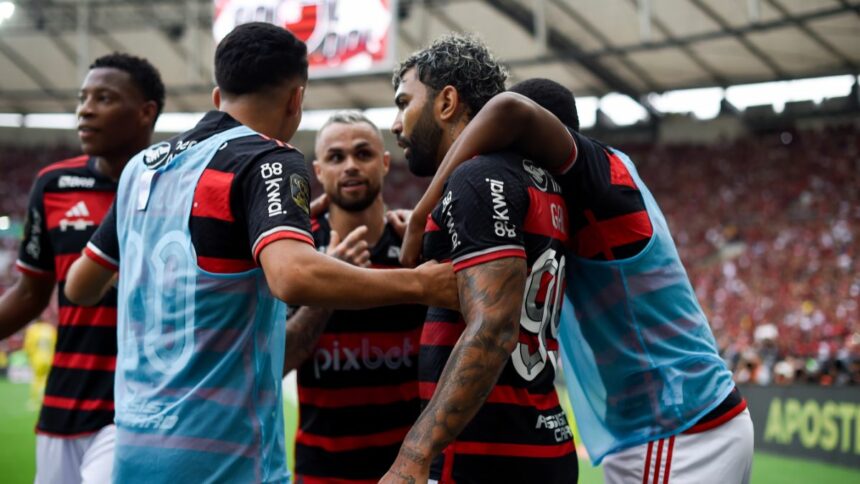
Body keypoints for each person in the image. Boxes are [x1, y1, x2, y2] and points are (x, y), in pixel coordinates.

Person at [63, 23, 457, 483]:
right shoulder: (266, 157)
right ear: (296, 99)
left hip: (133, 449)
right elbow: (292, 276)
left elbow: (80, 285)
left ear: (218, 96)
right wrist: (423, 283)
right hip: (224, 458)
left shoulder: (143, 167)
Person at [400, 78, 754, 484]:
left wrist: (420, 212)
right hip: (682, 424)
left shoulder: (596, 170)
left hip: (678, 428)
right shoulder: (590, 189)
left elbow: (508, 111)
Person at [381, 35, 578, 484]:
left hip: (484, 455)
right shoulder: (539, 182)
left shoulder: (476, 177)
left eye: (404, 103)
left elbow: (493, 327)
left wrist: (413, 455)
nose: (395, 124)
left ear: (447, 101)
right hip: (537, 439)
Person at [0, 53, 164, 484]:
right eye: (82, 98)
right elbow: (29, 293)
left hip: (139, 404)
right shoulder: (53, 184)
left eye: (104, 98)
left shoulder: (175, 184)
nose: (85, 109)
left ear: (146, 112)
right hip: (63, 404)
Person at [284, 111, 428, 482]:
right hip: (322, 471)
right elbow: (278, 362)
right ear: (318, 171)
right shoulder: (296, 251)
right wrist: (328, 284)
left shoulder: (416, 245)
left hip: (407, 469)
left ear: (384, 164)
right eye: (336, 157)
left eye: (362, 154)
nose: (350, 166)